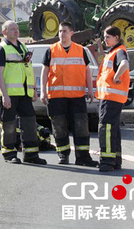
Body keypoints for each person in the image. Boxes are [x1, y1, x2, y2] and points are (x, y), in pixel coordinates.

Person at [40, 22, 97, 167]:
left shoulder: (80, 50)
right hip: (56, 97)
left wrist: (90, 90)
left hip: (77, 96)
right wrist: (43, 91)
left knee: (81, 127)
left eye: (65, 31)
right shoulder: (51, 50)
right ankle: (63, 155)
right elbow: (45, 72)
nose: (62, 34)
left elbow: (87, 72)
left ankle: (83, 157)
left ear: (72, 32)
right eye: (59, 31)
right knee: (59, 127)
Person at [0, 20, 46, 165]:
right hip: (9, 94)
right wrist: (4, 95)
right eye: (12, 29)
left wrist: (34, 91)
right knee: (9, 124)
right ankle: (9, 154)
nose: (16, 31)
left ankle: (31, 154)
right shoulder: (2, 48)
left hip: (24, 94)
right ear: (4, 32)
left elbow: (28, 70)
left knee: (29, 122)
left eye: (17, 29)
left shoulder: (23, 47)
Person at [96, 26, 130, 172]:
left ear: (116, 37)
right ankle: (115, 160)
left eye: (107, 37)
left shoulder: (119, 51)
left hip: (111, 98)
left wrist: (117, 76)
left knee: (106, 128)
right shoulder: (113, 52)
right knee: (113, 128)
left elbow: (125, 64)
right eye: (104, 37)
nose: (105, 40)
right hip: (112, 97)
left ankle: (107, 161)